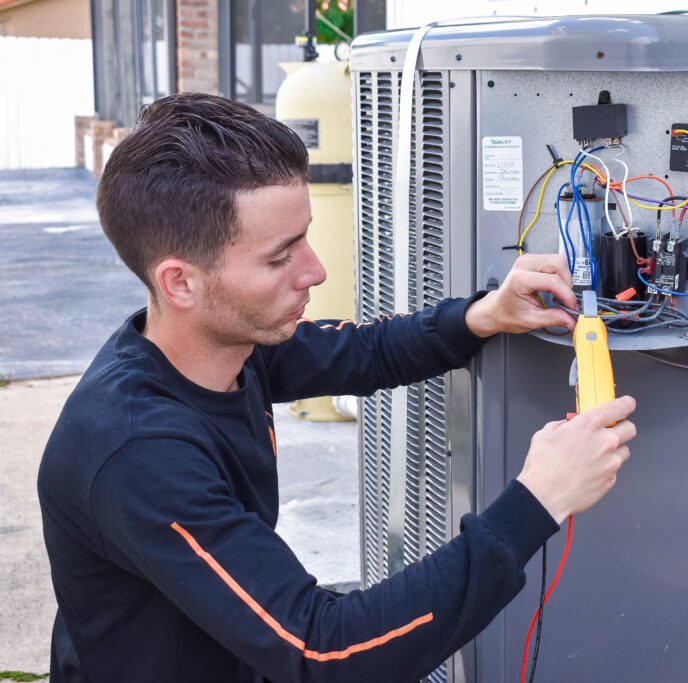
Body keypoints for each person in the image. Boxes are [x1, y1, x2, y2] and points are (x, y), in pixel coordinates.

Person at [37, 92, 637, 683]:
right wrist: (539, 499)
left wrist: (483, 314)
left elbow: (363, 351)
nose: (315, 270)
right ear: (181, 284)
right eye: (280, 257)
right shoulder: (136, 452)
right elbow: (325, 652)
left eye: (304, 236)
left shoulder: (222, 347)